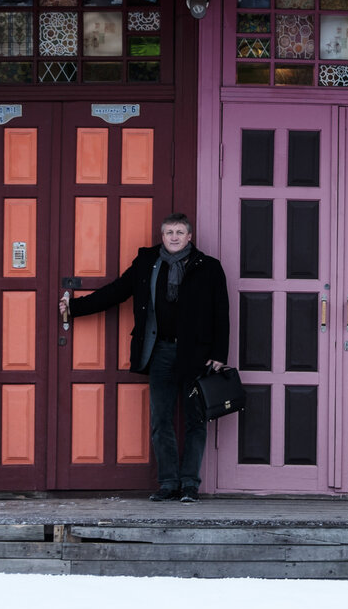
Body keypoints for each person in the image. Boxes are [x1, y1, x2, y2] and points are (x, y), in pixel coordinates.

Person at [58, 212, 229, 502]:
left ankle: (189, 485)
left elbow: (221, 313)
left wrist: (218, 354)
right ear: (162, 236)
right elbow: (115, 292)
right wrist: (74, 308)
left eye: (179, 232)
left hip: (196, 355)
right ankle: (168, 484)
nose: (174, 237)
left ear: (189, 237)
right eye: (168, 232)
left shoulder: (209, 268)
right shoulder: (147, 263)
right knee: (161, 420)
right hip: (159, 351)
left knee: (195, 421)